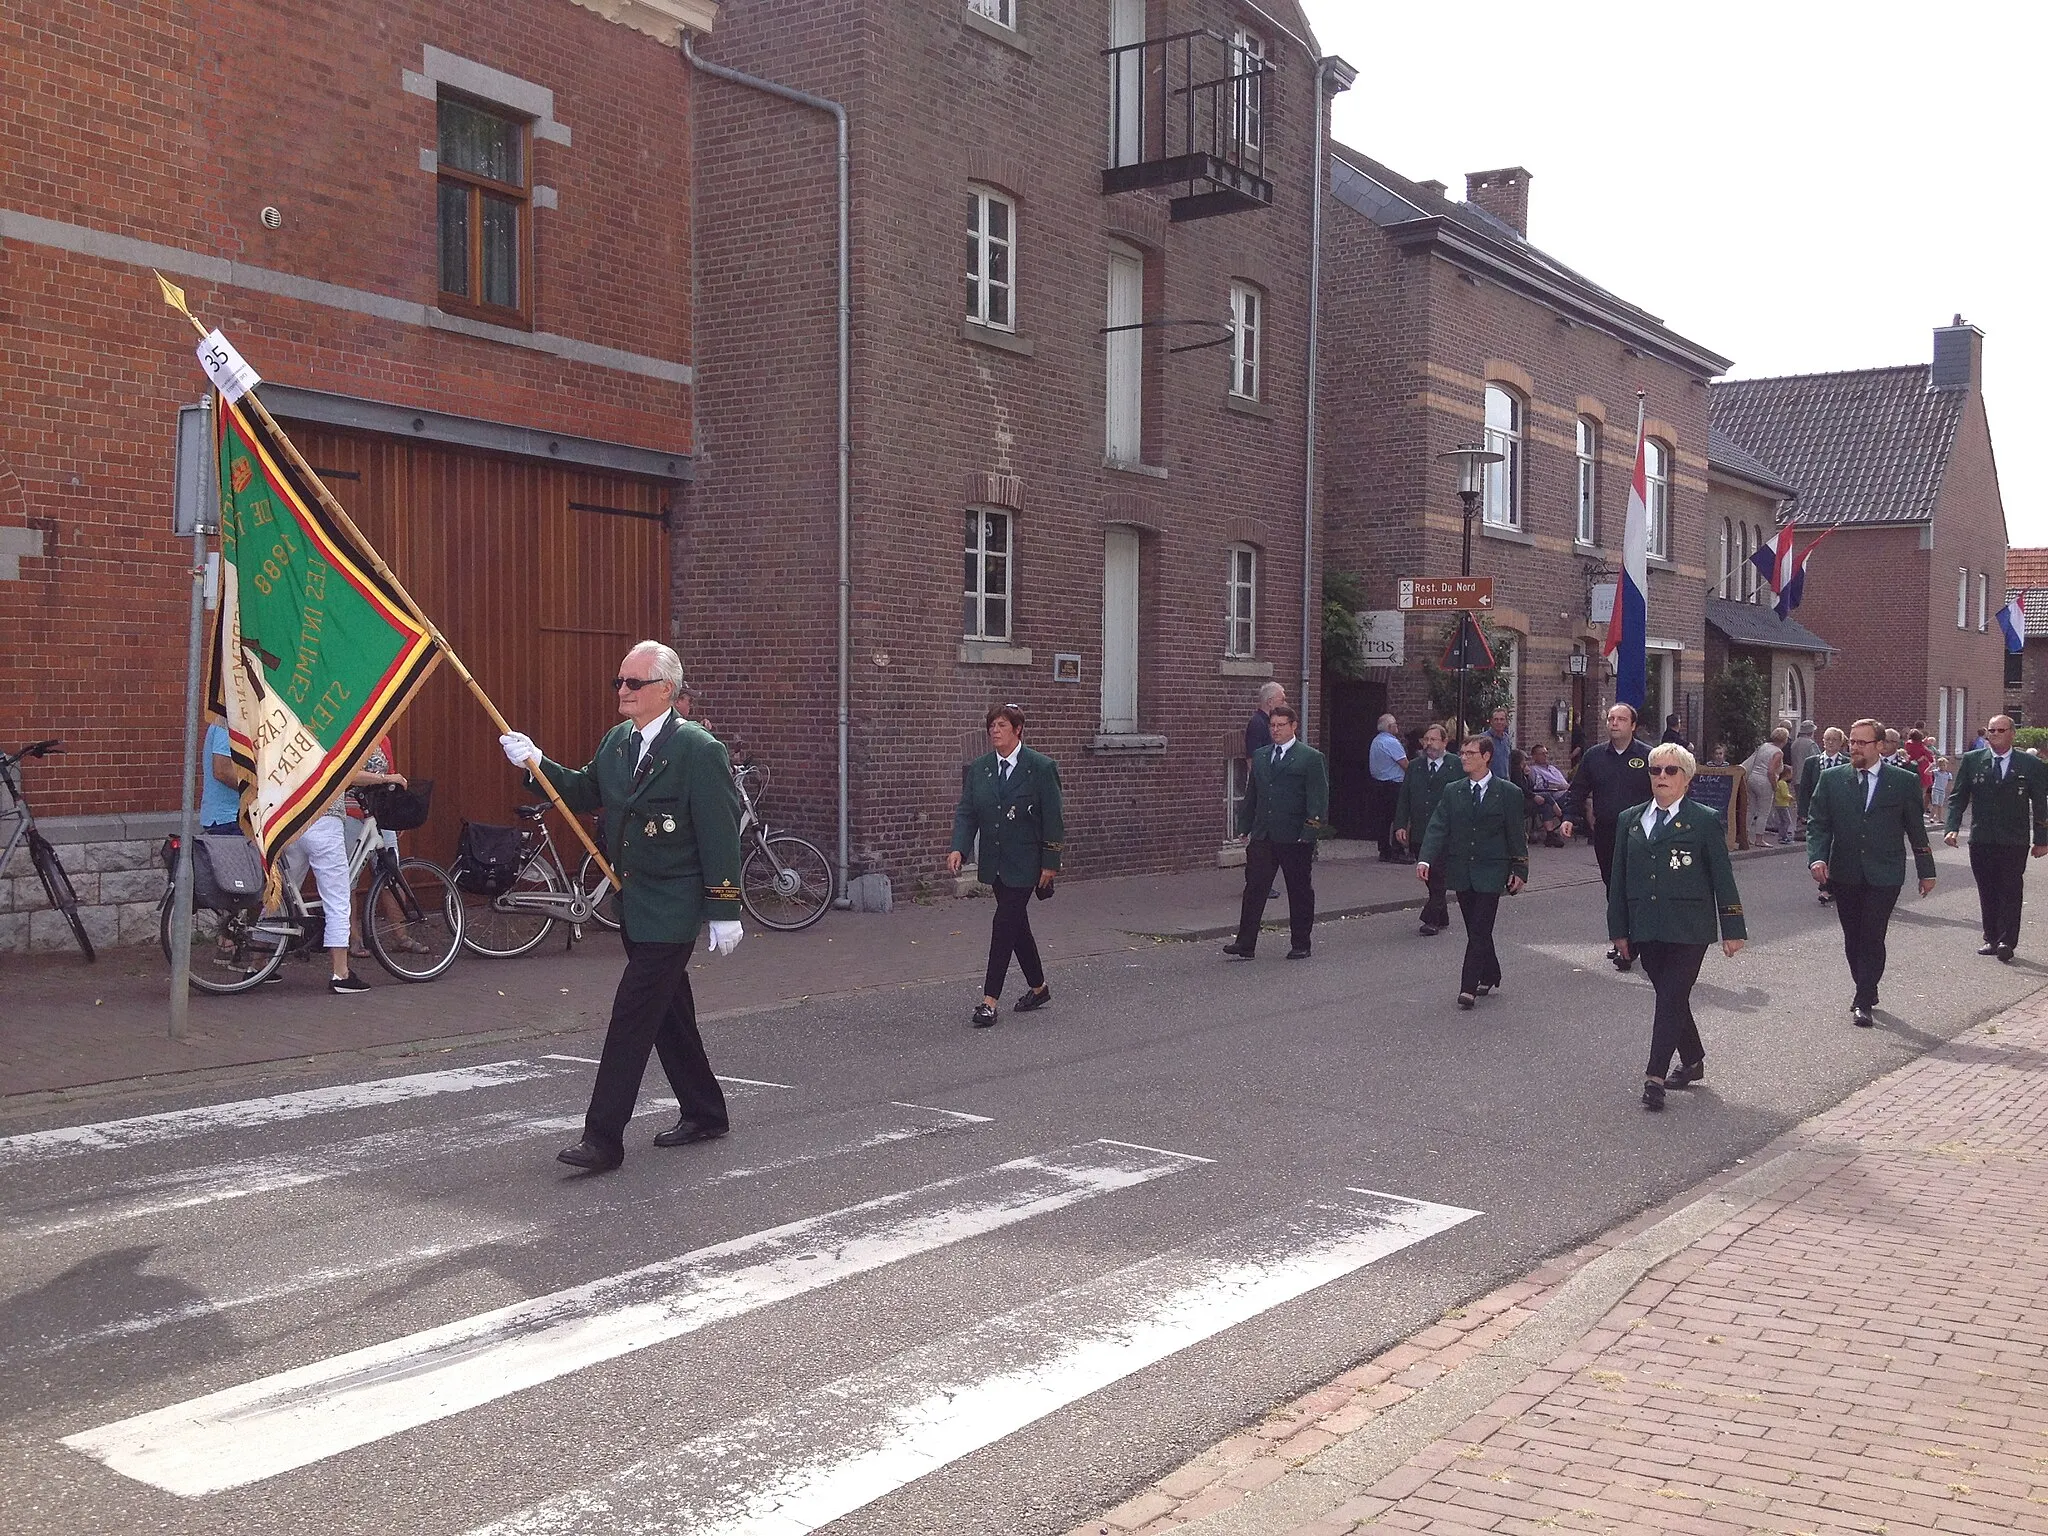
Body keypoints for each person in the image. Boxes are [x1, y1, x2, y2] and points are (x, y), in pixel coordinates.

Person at [499, 640, 744, 1171]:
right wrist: (537, 762)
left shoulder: (699, 750)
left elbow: (720, 832)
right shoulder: (618, 743)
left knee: (632, 1017)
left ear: (666, 690)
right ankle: (706, 1111)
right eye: (619, 682)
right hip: (634, 902)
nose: (623, 691)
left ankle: (603, 1137)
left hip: (673, 910)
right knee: (669, 1013)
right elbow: (586, 791)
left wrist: (724, 907)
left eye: (634, 683)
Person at [1607, 743, 1746, 1111]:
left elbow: (1722, 876)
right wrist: (1619, 929)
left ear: (1686, 779)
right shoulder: (1630, 819)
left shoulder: (1703, 819)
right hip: (1646, 925)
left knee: (1670, 995)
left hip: (1689, 926)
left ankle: (1654, 1076)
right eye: (1656, 771)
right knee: (1672, 996)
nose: (1662, 778)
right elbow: (1618, 879)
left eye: (1670, 771)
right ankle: (1694, 1057)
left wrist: (1733, 926)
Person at [1806, 718, 1936, 1027]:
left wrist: (1926, 871)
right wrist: (1817, 858)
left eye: (1861, 743)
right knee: (1853, 937)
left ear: (1879, 746)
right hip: (1846, 871)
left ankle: (1863, 997)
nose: (1854, 747)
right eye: (1852, 742)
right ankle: (1866, 985)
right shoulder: (1832, 779)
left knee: (1873, 934)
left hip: (1886, 872)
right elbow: (1818, 823)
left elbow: (1916, 829)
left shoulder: (1903, 781)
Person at [950, 703, 1064, 1022]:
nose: (994, 731)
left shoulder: (1040, 767)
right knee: (1017, 927)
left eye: (1001, 725)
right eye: (991, 726)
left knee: (1003, 925)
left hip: (1027, 862)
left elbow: (1053, 817)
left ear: (1017, 730)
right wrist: (959, 847)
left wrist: (1050, 861)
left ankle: (989, 1002)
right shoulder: (981, 768)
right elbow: (967, 811)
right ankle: (1039, 988)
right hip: (996, 862)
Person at [1416, 736, 1528, 1008]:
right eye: (1463, 753)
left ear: (1487, 756)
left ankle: (1468, 986)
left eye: (1470, 753)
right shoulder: (1453, 791)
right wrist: (1425, 859)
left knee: (1479, 928)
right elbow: (1438, 826)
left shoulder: (1508, 792)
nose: (1464, 757)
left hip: (1492, 869)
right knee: (1474, 927)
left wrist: (1520, 868)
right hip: (1462, 868)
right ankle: (1491, 972)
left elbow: (1516, 834)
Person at [1942, 714, 2048, 963]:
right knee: (1987, 888)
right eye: (1991, 731)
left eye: (2001, 730)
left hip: (2014, 839)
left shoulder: (2028, 764)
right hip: (1982, 837)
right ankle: (1990, 936)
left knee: (2010, 889)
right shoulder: (1973, 760)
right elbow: (1959, 796)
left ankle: (2006, 940)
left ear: (2012, 733)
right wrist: (1951, 827)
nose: (1995, 735)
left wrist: (2042, 839)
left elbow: (2041, 803)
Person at [1224, 704, 1327, 960]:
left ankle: (1301, 942)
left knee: (1299, 890)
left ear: (1293, 727)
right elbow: (1253, 794)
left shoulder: (1310, 758)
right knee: (1255, 888)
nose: (1276, 730)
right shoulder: (1261, 756)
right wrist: (1245, 826)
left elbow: (1318, 800)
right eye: (1272, 725)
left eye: (1281, 725)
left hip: (1295, 836)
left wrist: (1310, 833)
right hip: (1264, 834)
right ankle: (1245, 943)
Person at [1559, 702, 1656, 971]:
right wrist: (1568, 817)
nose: (1614, 723)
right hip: (1606, 831)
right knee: (1613, 886)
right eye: (1611, 719)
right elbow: (1578, 789)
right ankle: (1621, 936)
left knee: (1635, 885)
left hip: (1641, 833)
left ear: (1633, 726)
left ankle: (1633, 943)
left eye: (1621, 719)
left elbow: (1662, 791)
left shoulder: (1649, 756)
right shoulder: (1594, 756)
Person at [1393, 723, 1454, 934]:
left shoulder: (1455, 765)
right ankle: (1442, 913)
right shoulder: (1415, 766)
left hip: (1446, 831)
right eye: (1426, 740)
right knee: (1428, 875)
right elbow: (1405, 797)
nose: (1428, 744)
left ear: (1445, 742)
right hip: (1420, 830)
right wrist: (1401, 824)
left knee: (1438, 873)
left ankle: (1431, 919)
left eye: (1433, 740)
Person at [1798, 728, 1849, 902]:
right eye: (1827, 739)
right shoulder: (1812, 762)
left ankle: (1837, 884)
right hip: (1819, 812)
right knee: (1822, 848)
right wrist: (1803, 812)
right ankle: (1825, 886)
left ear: (1841, 742)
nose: (1830, 743)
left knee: (1839, 849)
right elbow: (1804, 789)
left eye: (1834, 739)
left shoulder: (1847, 762)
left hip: (1842, 813)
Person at [1367, 713, 1409, 861]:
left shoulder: (1376, 741)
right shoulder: (1391, 742)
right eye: (1395, 724)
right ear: (1390, 727)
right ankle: (1397, 851)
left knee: (1383, 819)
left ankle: (1384, 849)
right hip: (1393, 785)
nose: (1397, 727)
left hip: (1378, 784)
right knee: (1398, 818)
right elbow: (1404, 764)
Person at [1741, 729, 1788, 847]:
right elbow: (1771, 771)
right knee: (1763, 811)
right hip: (1764, 782)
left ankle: (1744, 836)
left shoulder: (1764, 746)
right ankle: (1759, 839)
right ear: (1784, 739)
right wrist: (1774, 786)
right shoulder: (1778, 753)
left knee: (1751, 809)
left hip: (1752, 778)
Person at [200, 722, 243, 835]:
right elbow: (222, 771)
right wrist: (258, 793)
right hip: (228, 821)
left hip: (235, 819)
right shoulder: (229, 720)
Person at [1525, 743, 1569, 846]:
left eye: (1546, 753)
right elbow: (1538, 786)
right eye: (1542, 754)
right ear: (1534, 756)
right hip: (1552, 794)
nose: (1545, 756)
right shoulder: (1533, 770)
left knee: (1588, 801)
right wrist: (1560, 787)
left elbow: (1565, 783)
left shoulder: (1553, 768)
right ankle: (1563, 819)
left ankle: (1592, 831)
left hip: (1564, 792)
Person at [1479, 707, 1513, 780]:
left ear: (1506, 722)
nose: (1499, 722)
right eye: (1496, 719)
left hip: (1505, 781)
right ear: (1491, 721)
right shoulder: (1483, 739)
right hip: (1489, 781)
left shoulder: (1507, 739)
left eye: (1502, 719)